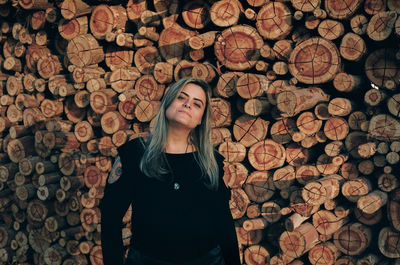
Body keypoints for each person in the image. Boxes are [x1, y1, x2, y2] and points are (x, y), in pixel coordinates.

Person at [100, 78, 241, 265]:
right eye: (181, 97)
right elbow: (111, 216)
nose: (187, 104)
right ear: (168, 103)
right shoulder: (135, 154)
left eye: (197, 104)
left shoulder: (211, 162)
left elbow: (223, 222)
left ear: (201, 120)